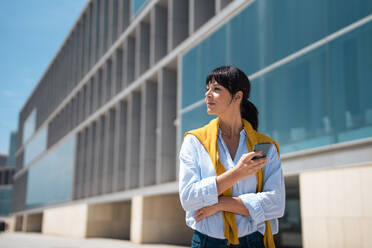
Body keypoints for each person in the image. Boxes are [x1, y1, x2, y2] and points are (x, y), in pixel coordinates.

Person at [179, 66, 285, 248]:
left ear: (237, 97)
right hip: (206, 242)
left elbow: (276, 204)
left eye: (216, 89)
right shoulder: (195, 141)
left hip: (252, 242)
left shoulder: (263, 146)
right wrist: (237, 173)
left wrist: (219, 204)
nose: (208, 95)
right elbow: (188, 199)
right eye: (207, 89)